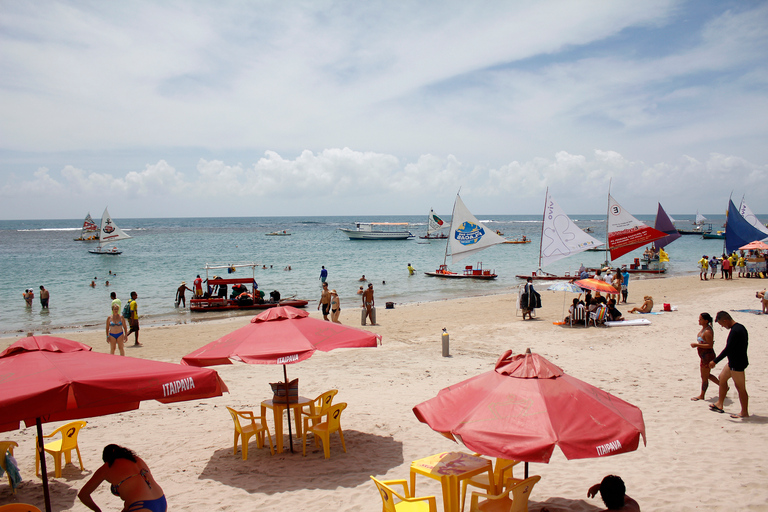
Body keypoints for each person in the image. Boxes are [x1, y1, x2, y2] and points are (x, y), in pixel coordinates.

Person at [78, 444, 166, 512]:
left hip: (141, 505)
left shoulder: (107, 467)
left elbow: (83, 495)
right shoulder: (137, 460)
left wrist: (97, 510)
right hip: (161, 501)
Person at [709, 311, 749, 419]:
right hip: (733, 362)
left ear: (725, 320)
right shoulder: (740, 327)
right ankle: (719, 404)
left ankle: (744, 412)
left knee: (740, 388)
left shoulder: (736, 331)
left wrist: (715, 361)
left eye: (722, 324)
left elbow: (728, 349)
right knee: (722, 378)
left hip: (737, 364)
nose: (722, 326)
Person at [690, 312, 719, 401]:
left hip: (707, 356)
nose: (699, 320)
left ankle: (702, 395)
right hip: (703, 356)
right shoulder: (704, 329)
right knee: (706, 375)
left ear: (706, 321)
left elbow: (710, 345)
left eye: (701, 319)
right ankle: (723, 386)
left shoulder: (707, 331)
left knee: (704, 377)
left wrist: (697, 345)